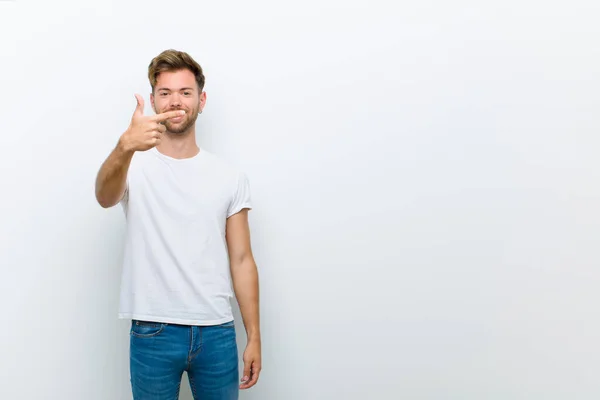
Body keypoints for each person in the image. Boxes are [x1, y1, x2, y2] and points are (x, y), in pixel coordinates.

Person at [94, 49, 261, 400]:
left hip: (216, 331)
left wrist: (254, 336)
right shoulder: (133, 166)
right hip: (153, 330)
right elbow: (104, 197)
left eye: (185, 92)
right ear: (154, 100)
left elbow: (242, 259)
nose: (175, 101)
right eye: (165, 93)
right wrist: (125, 146)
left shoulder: (229, 177)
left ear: (201, 100)